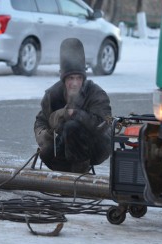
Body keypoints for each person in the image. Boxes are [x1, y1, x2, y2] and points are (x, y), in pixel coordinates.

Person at [34, 38, 112, 173]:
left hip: (95, 146)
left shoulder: (96, 94)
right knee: (46, 153)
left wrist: (77, 115)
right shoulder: (53, 94)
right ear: (64, 79)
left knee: (72, 127)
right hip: (64, 144)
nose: (75, 83)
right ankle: (65, 176)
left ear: (83, 79)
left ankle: (79, 172)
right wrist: (45, 137)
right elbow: (41, 121)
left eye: (78, 78)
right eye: (71, 78)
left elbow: (103, 125)